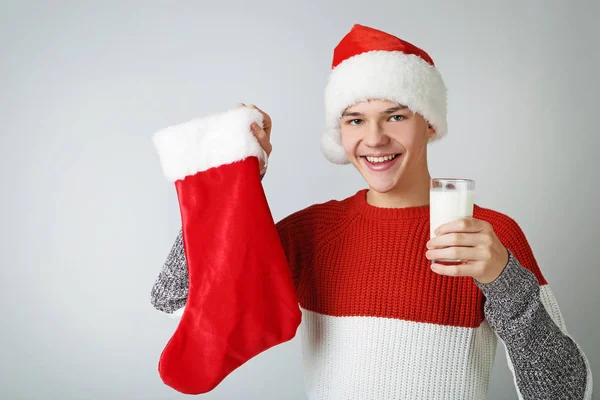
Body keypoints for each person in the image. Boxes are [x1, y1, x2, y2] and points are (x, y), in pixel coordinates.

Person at [150, 24, 592, 399]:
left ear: (430, 123)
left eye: (395, 116)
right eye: (355, 119)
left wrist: (505, 282)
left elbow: (567, 392)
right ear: (339, 132)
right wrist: (236, 179)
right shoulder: (311, 233)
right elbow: (177, 299)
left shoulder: (489, 238)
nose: (375, 138)